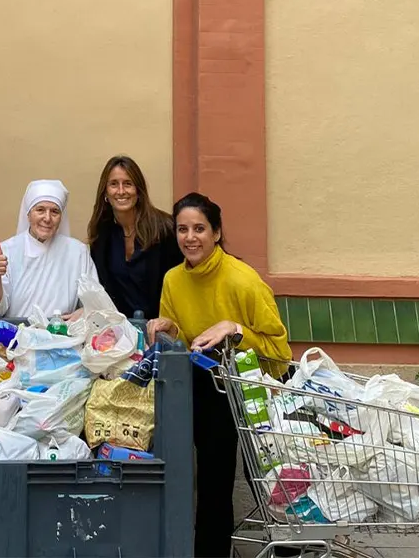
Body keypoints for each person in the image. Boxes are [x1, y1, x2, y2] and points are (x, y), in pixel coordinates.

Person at [146, 192, 291, 558]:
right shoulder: (173, 279)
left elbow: (279, 353)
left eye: (199, 229)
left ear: (216, 232)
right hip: (193, 382)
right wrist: (168, 328)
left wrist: (235, 328)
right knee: (179, 473)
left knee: (215, 483)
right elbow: (182, 333)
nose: (190, 237)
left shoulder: (243, 281)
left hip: (237, 389)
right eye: (182, 229)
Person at [0, 179, 97, 318]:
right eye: (40, 210)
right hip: (15, 334)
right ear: (29, 214)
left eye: (54, 211)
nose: (47, 218)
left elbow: (95, 304)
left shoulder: (78, 252)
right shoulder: (5, 251)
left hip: (62, 335)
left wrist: (84, 312)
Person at [87, 155, 182, 319]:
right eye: (114, 184)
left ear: (138, 191)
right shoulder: (102, 234)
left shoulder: (165, 229)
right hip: (121, 331)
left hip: (163, 328)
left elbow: (181, 283)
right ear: (105, 193)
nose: (121, 191)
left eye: (128, 184)